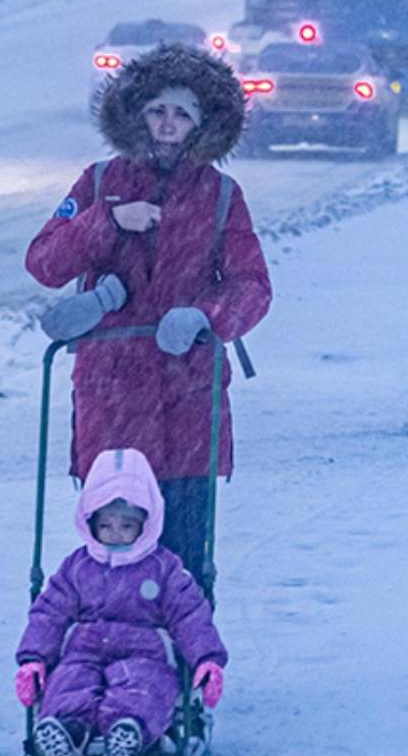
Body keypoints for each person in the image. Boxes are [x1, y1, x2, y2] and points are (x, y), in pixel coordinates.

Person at [27, 42, 272, 591]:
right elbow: (44, 260)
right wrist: (108, 222)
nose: (168, 123)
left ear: (203, 123)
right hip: (109, 399)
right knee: (111, 538)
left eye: (181, 113)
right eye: (158, 110)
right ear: (137, 115)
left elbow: (252, 286)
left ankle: (187, 658)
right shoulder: (96, 184)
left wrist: (204, 317)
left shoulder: (222, 197)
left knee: (184, 550)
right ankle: (101, 651)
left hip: (188, 400)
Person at [15, 449, 227, 756]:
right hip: (83, 649)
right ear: (91, 524)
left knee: (144, 687)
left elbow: (189, 615)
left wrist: (206, 660)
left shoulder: (163, 567)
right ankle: (67, 729)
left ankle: (127, 730)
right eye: (106, 525)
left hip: (144, 651)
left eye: (126, 524)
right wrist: (35, 659)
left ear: (145, 523)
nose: (115, 533)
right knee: (69, 681)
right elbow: (50, 613)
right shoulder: (77, 567)